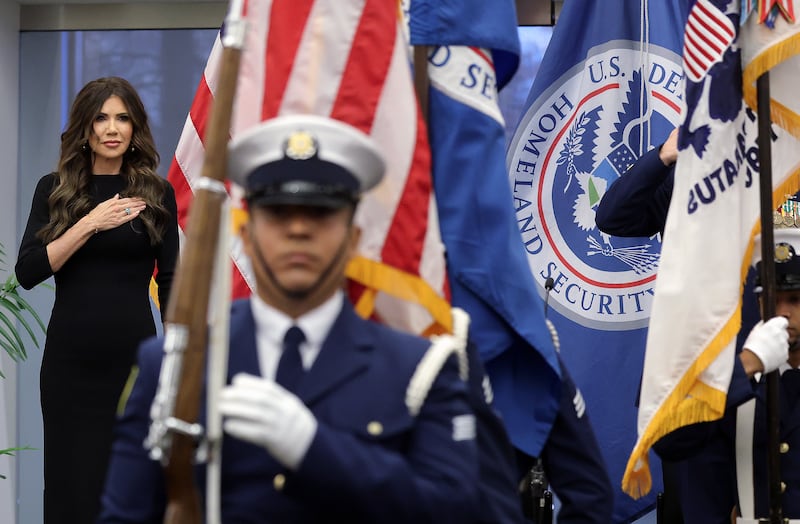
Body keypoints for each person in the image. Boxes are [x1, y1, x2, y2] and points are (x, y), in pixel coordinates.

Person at [98, 114, 490, 523]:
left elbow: (456, 509)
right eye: (279, 213)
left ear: (353, 238)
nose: (299, 229)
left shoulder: (419, 370)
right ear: (246, 237)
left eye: (320, 214)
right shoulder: (173, 365)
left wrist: (315, 448)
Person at [15, 76, 179, 524]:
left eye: (123, 118)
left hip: (135, 364)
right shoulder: (56, 189)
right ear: (85, 129)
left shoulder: (156, 194)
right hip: (71, 367)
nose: (112, 128)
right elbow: (28, 272)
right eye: (102, 117)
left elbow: (170, 283)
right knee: (72, 485)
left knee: (132, 483)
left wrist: (175, 362)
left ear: (135, 128)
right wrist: (89, 223)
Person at [653, 225, 797, 523]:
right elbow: (670, 441)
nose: (782, 312)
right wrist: (744, 366)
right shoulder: (742, 381)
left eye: (795, 300)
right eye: (771, 299)